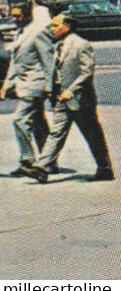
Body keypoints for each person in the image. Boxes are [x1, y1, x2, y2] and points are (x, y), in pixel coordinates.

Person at [27, 14, 114, 183]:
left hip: (81, 100)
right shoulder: (58, 45)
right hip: (61, 98)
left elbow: (87, 73)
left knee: (92, 134)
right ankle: (42, 167)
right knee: (56, 133)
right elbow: (55, 70)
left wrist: (72, 91)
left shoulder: (82, 44)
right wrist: (50, 89)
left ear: (67, 27)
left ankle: (105, 168)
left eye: (55, 26)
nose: (52, 29)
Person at [0, 2, 54, 176]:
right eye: (13, 16)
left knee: (19, 120)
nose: (14, 19)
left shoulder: (38, 33)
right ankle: (49, 161)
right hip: (24, 84)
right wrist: (7, 84)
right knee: (38, 122)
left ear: (28, 15)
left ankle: (27, 160)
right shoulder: (20, 32)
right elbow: (14, 62)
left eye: (18, 16)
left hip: (35, 84)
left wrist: (50, 87)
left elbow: (48, 62)